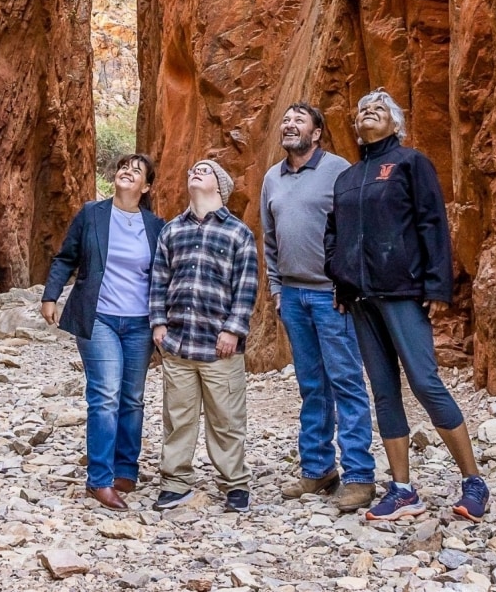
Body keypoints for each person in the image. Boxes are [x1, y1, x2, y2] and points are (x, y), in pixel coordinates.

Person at [325, 88, 491, 522]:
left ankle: (474, 481)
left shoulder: (410, 163)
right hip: (360, 298)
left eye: (378, 109)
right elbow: (334, 233)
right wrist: (340, 280)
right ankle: (402, 489)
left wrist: (436, 288)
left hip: (402, 291)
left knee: (424, 381)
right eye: (363, 110)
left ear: (395, 123)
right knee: (383, 390)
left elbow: (432, 223)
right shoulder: (347, 178)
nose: (368, 113)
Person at [259, 102, 377, 512]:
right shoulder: (272, 178)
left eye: (299, 120)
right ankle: (318, 469)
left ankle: (359, 476)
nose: (289, 125)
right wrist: (277, 290)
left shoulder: (338, 170)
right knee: (312, 386)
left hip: (332, 296)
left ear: (317, 132)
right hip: (292, 296)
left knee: (346, 382)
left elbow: (356, 232)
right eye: (286, 120)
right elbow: (269, 239)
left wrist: (349, 288)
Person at [41, 154, 166, 510]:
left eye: (136, 170)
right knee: (106, 394)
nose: (127, 171)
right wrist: (50, 295)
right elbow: (66, 257)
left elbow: (165, 274)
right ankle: (99, 479)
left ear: (146, 187)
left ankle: (125, 469)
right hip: (99, 318)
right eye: (124, 166)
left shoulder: (156, 226)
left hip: (140, 322)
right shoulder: (91, 214)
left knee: (132, 398)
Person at [148, 159, 260, 513]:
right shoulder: (171, 231)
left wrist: (233, 330)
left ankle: (235, 483)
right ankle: (175, 482)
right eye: (192, 170)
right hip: (178, 345)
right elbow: (159, 280)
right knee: (177, 419)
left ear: (220, 186)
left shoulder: (238, 233)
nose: (194, 172)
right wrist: (158, 324)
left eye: (205, 170)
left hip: (220, 347)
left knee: (226, 420)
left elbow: (246, 287)